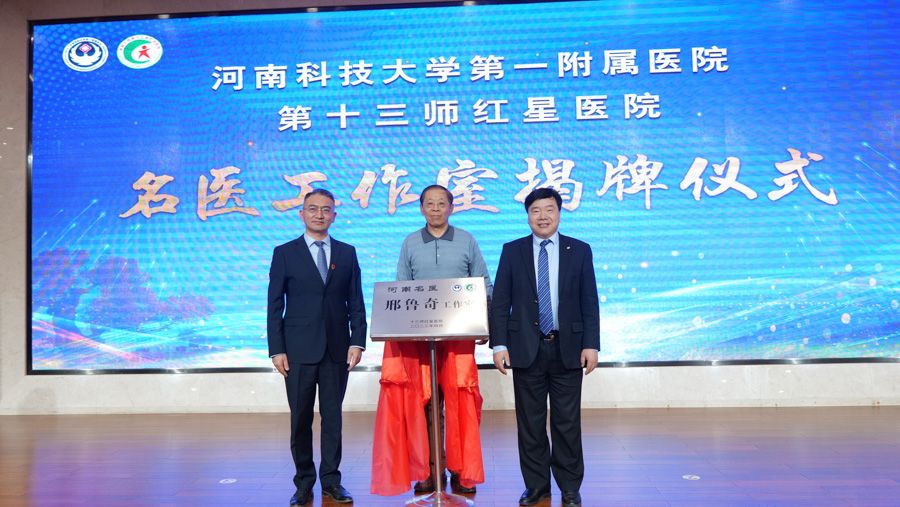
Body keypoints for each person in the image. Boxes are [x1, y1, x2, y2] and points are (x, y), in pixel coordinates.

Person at [371, 184, 490, 496]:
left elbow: (482, 283)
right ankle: (428, 470)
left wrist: (484, 323)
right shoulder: (410, 242)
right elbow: (400, 288)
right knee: (423, 403)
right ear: (421, 208)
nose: (435, 209)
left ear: (451, 207)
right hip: (419, 339)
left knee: (460, 401)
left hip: (459, 337)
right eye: (430, 204)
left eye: (441, 203)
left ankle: (461, 470)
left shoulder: (467, 240)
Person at [490, 187, 600, 507]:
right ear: (527, 216)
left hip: (568, 347)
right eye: (535, 210)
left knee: (567, 422)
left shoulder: (579, 250)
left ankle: (569, 487)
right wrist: (499, 344)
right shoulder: (512, 251)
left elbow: (589, 301)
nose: (542, 216)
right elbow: (501, 302)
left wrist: (591, 344)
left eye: (549, 209)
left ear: (559, 213)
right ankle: (536, 486)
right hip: (526, 348)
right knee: (531, 423)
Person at [267, 188, 367, 506]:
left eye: (326, 209)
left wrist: (357, 341)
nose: (319, 214)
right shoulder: (285, 253)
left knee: (333, 418)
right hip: (297, 351)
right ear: (302, 214)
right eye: (313, 209)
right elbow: (274, 305)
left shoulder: (347, 253)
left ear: (334, 215)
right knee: (300, 418)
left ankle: (332, 481)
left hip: (337, 349)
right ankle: (303, 483)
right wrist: (276, 349)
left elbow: (356, 301)